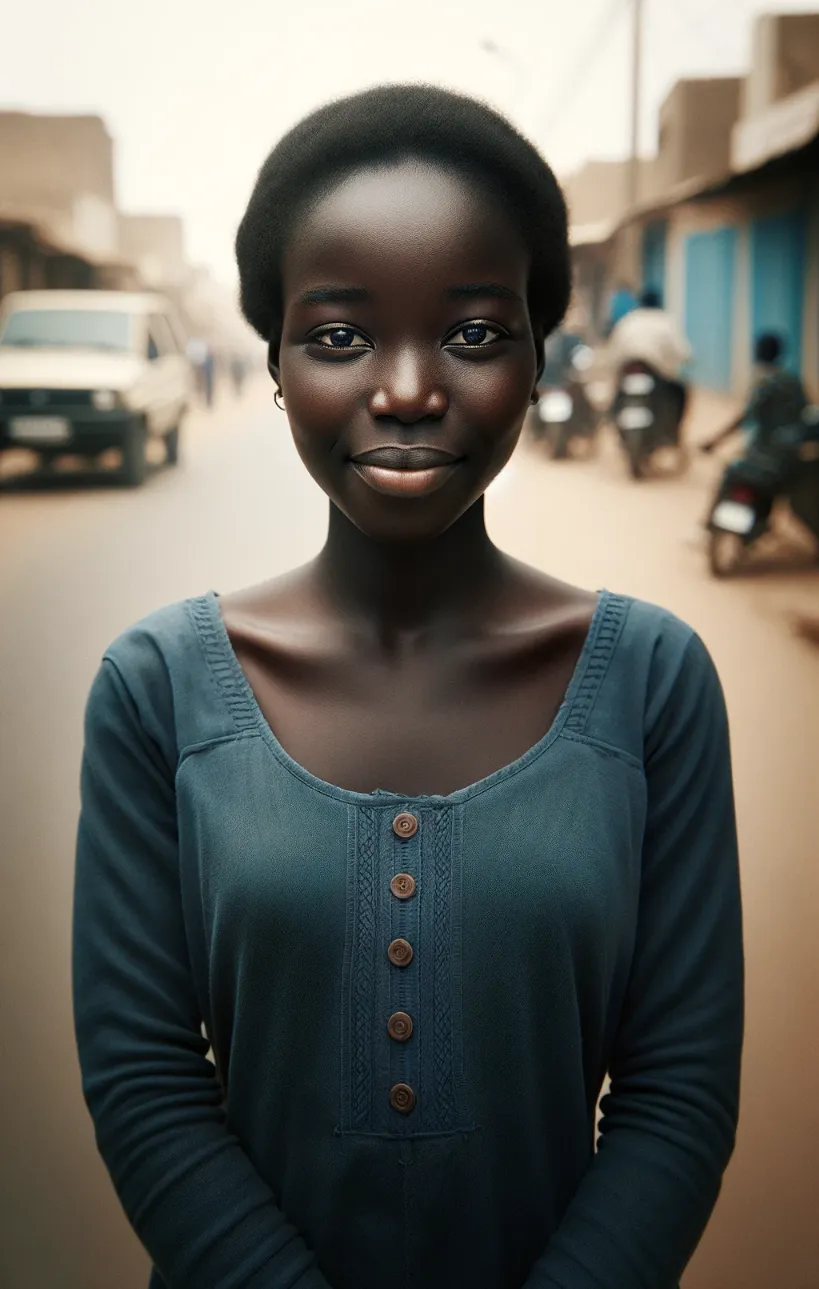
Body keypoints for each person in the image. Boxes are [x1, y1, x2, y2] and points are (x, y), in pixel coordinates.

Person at [72, 86, 743, 1289]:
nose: (409, 388)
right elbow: (146, 1083)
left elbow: (677, 1093)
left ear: (540, 355)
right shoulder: (154, 691)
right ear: (272, 361)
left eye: (475, 333)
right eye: (339, 335)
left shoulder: (652, 683)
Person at [701, 330, 808, 527]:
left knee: (731, 474)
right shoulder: (793, 383)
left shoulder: (764, 384)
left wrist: (714, 441)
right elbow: (806, 415)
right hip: (787, 459)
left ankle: (709, 524)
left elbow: (745, 417)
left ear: (757, 353)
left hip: (762, 458)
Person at [608, 286, 691, 435]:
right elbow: (682, 350)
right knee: (680, 393)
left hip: (627, 369)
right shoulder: (666, 321)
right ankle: (674, 432)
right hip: (655, 371)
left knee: (614, 398)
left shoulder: (628, 320)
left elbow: (613, 349)